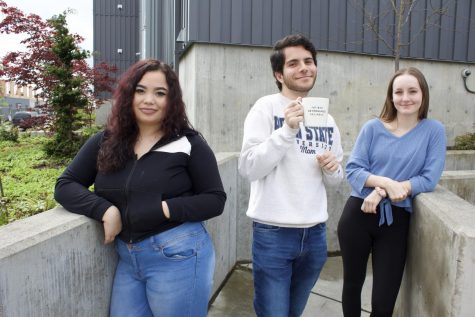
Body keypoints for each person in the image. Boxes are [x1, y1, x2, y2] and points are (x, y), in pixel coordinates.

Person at [54, 59, 226, 317]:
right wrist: (104, 210)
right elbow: (65, 185)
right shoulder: (105, 141)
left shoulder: (188, 143)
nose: (149, 100)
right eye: (141, 90)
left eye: (160, 93)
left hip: (180, 254)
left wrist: (163, 209)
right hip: (128, 257)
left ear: (172, 101)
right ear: (128, 95)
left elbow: (215, 199)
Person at [238, 34, 344, 317]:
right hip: (274, 233)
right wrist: (286, 132)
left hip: (315, 234)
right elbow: (248, 167)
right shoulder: (266, 108)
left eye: (309, 61)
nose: (304, 68)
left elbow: (335, 181)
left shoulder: (327, 120)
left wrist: (332, 168)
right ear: (279, 74)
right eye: (294, 63)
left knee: (293, 313)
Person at [338, 67, 446, 317]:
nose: (405, 97)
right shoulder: (372, 128)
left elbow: (428, 179)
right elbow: (353, 170)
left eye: (412, 91)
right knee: (352, 287)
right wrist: (386, 184)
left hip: (396, 221)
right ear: (391, 96)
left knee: (384, 303)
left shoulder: (434, 131)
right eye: (398, 92)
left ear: (423, 95)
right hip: (358, 215)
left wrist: (382, 192)